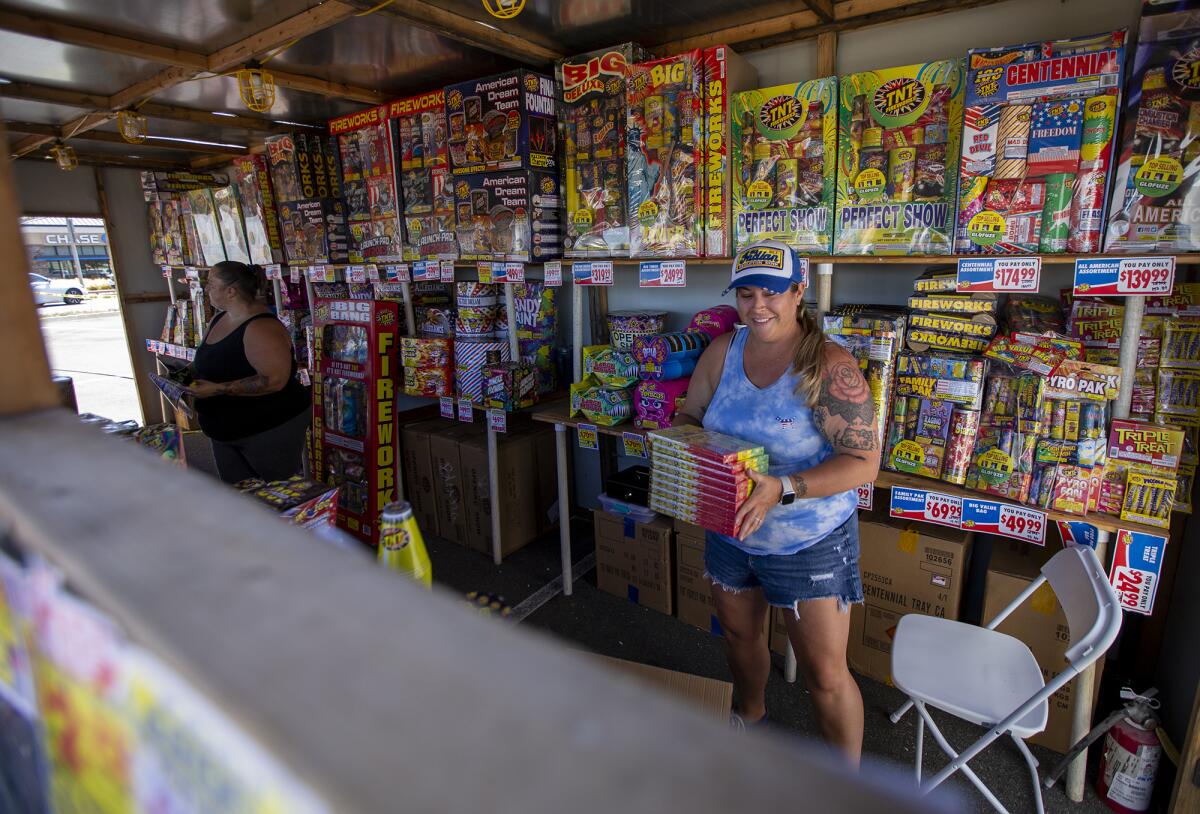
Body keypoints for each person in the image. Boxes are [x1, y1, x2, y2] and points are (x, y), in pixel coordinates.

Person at [674, 240, 880, 765]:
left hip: (807, 540)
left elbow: (863, 462)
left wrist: (782, 488)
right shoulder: (723, 352)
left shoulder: (829, 366)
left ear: (798, 292)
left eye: (772, 292)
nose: (758, 305)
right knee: (741, 638)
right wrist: (692, 453)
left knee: (825, 674)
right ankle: (751, 719)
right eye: (746, 294)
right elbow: (689, 416)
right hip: (731, 531)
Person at [188, 260, 311, 484]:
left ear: (231, 291)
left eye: (211, 284)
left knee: (273, 495)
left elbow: (274, 381)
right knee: (241, 496)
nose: (207, 290)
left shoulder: (261, 328)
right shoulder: (219, 319)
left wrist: (217, 390)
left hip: (267, 427)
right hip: (224, 430)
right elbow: (210, 361)